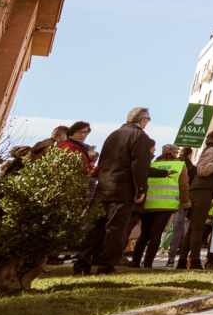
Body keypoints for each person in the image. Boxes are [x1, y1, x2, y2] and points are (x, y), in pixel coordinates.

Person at [75, 107, 156, 275]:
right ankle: (105, 266)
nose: (148, 122)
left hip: (104, 186)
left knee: (95, 227)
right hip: (123, 189)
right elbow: (140, 166)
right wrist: (141, 189)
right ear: (142, 120)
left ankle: (82, 263)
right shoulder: (141, 137)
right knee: (116, 229)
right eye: (148, 119)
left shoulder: (113, 135)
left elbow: (103, 160)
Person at [131, 144, 189, 268]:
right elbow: (184, 186)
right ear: (175, 153)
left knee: (144, 234)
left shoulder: (152, 164)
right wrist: (185, 202)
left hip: (148, 204)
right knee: (156, 234)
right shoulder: (179, 165)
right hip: (165, 205)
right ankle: (147, 263)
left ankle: (135, 261)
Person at [183, 126, 213, 270]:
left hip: (206, 191)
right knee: (197, 228)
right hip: (201, 190)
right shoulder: (212, 150)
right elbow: (201, 170)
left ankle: (183, 260)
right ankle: (194, 260)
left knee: (194, 228)